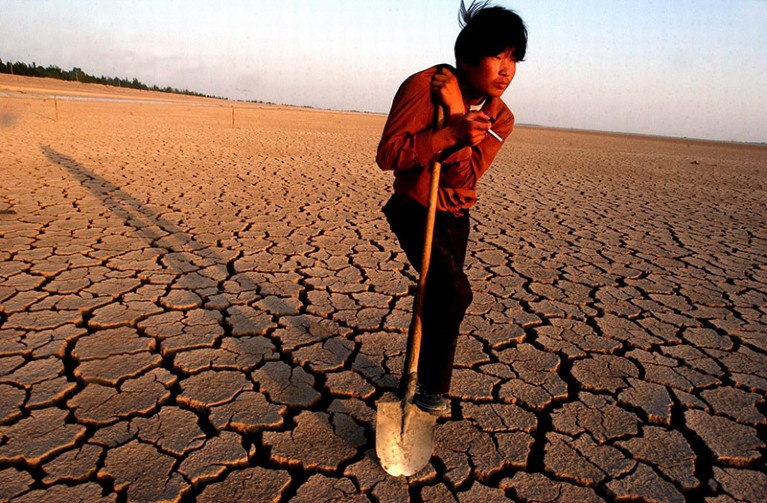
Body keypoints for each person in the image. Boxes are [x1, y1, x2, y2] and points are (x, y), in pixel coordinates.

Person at [376, 1, 527, 415]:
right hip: (414, 208)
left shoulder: (501, 118)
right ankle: (433, 394)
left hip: (457, 215)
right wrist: (444, 134)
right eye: (497, 55)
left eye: (513, 58)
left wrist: (460, 121)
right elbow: (388, 155)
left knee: (438, 301)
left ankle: (419, 377)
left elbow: (465, 177)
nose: (506, 69)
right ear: (467, 56)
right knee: (454, 291)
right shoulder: (422, 87)